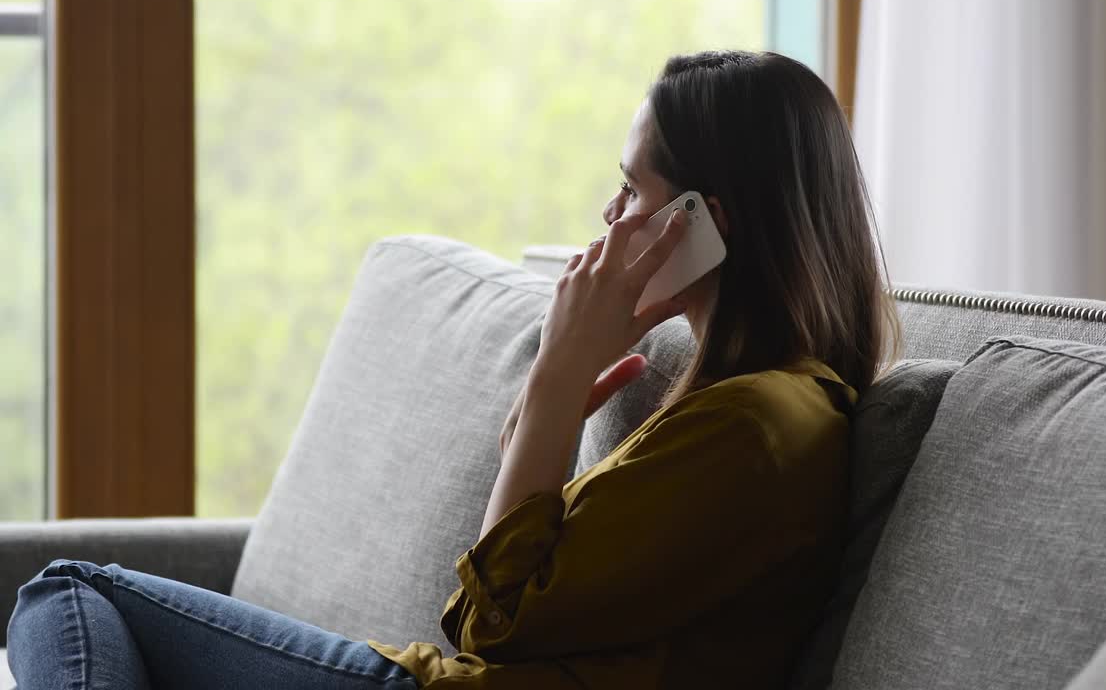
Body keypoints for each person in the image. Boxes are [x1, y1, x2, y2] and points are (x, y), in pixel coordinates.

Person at [6, 50, 897, 689]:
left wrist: (554, 385)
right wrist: (543, 408)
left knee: (68, 591)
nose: (609, 211)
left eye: (632, 189)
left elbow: (492, 625)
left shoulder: (758, 426)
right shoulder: (749, 407)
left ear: (707, 221)